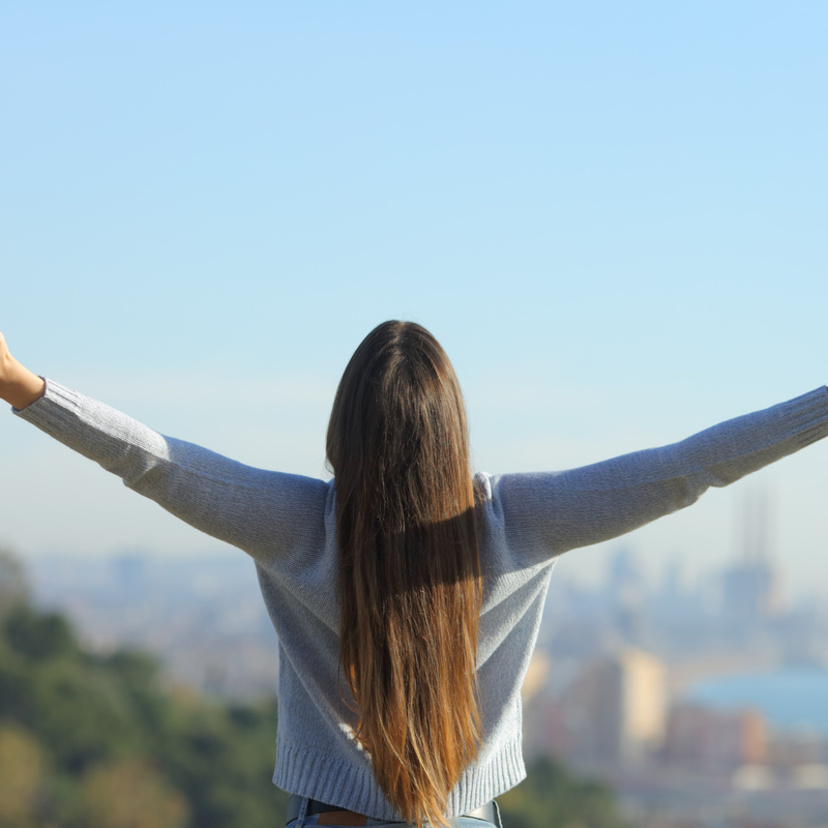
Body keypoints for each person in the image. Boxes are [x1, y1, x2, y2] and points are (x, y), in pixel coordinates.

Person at [2, 321, 827, 828]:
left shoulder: (295, 522)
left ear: (341, 429)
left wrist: (22, 386)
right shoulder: (519, 520)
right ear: (451, 430)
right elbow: (689, 468)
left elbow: (158, 464)